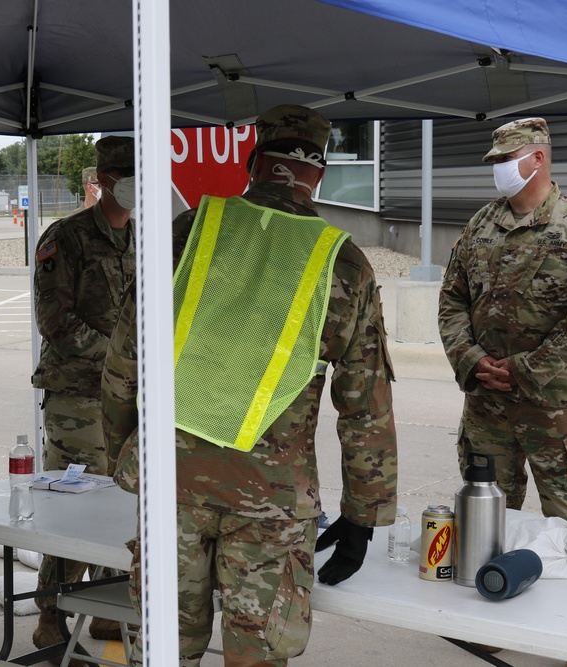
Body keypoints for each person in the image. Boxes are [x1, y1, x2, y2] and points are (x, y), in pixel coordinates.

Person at [102, 104, 398, 666]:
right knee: (257, 654)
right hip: (272, 500)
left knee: (163, 648)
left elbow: (125, 359)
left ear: (251, 161)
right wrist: (363, 514)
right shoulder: (345, 263)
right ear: (320, 175)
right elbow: (365, 406)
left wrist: (125, 451)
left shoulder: (190, 230)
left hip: (172, 482)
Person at [438, 117, 567, 527]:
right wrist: (469, 357)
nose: (498, 168)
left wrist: (527, 369)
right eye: (494, 160)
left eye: (506, 158)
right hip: (487, 404)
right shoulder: (480, 225)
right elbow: (452, 299)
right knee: (485, 522)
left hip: (553, 405)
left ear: (538, 158)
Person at [31, 136, 136, 658]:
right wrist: (122, 357)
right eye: (126, 173)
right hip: (76, 396)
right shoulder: (65, 238)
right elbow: (56, 322)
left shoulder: (142, 237)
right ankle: (50, 615)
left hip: (126, 395)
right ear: (106, 178)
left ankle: (106, 612)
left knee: (124, 502)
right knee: (78, 510)